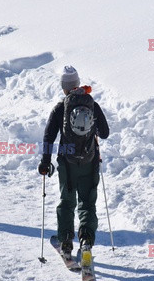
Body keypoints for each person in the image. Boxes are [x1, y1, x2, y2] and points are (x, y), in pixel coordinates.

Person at [38, 66, 109, 259]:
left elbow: (48, 137)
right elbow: (105, 133)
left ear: (64, 87)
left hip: (67, 164)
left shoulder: (60, 108)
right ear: (78, 84)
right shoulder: (92, 104)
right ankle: (86, 242)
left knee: (67, 203)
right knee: (87, 204)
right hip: (89, 162)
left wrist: (45, 162)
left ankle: (66, 243)